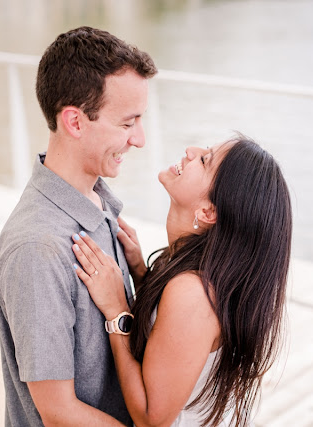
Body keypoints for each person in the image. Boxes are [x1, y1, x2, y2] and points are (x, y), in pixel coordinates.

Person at [0, 26, 157, 426]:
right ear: (75, 122)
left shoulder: (99, 205)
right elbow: (59, 412)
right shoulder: (37, 249)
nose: (141, 140)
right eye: (128, 123)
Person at [70, 135, 293, 426]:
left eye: (204, 160)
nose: (190, 151)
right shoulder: (192, 270)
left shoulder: (195, 293)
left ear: (208, 212)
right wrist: (140, 271)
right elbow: (168, 330)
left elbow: (152, 417)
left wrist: (117, 312)